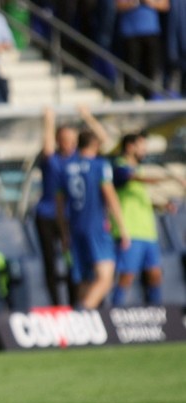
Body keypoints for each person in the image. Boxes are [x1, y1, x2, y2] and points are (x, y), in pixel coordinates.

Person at [36, 105, 112, 306]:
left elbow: (103, 142)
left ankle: (79, 306)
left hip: (72, 219)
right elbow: (48, 149)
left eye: (72, 139)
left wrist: (88, 117)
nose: (68, 143)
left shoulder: (79, 161)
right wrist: (49, 122)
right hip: (50, 215)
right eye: (64, 138)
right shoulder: (55, 161)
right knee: (52, 264)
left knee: (78, 268)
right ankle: (60, 306)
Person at [56, 130, 130, 310]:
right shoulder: (99, 165)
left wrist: (64, 233)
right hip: (96, 226)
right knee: (105, 278)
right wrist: (122, 228)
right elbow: (109, 195)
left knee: (85, 279)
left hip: (75, 228)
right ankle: (82, 314)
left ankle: (81, 328)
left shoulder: (65, 167)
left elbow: (59, 205)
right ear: (95, 145)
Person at [110, 132, 170, 306]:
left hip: (148, 232)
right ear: (130, 147)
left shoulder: (139, 169)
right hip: (130, 231)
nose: (144, 151)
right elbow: (134, 178)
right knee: (127, 275)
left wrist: (161, 206)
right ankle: (116, 311)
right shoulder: (119, 167)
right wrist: (169, 178)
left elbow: (140, 197)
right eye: (141, 146)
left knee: (155, 274)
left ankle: (156, 312)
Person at [116, 0, 169, 98]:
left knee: (150, 69)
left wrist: (148, 2)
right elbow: (117, 6)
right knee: (130, 70)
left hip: (151, 32)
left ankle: (148, 97)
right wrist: (133, 3)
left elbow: (165, 5)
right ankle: (129, 97)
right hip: (130, 33)